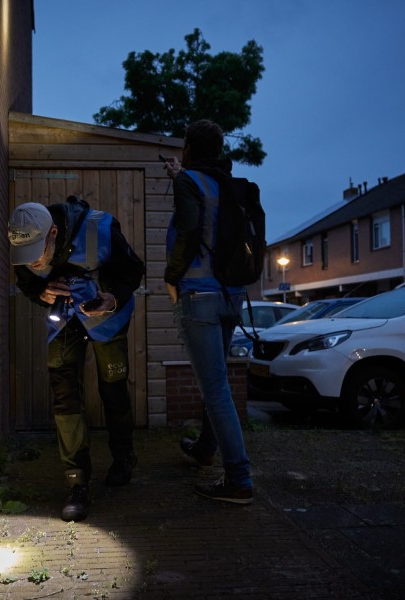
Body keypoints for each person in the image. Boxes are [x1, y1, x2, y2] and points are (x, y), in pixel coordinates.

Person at [8, 196, 145, 521]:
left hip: (107, 318)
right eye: (25, 257)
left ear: (53, 233)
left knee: (113, 389)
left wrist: (112, 298)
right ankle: (77, 482)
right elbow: (26, 283)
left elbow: (133, 270)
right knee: (65, 396)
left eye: (37, 254)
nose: (32, 263)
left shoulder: (100, 229)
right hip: (64, 322)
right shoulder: (23, 240)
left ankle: (124, 458)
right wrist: (41, 293)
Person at [162, 119, 254, 504]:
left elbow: (188, 230)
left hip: (199, 295)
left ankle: (239, 479)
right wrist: (178, 176)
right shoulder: (226, 183)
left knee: (214, 388)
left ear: (188, 148)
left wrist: (171, 277)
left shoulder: (190, 182)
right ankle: (205, 448)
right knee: (218, 383)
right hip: (232, 295)